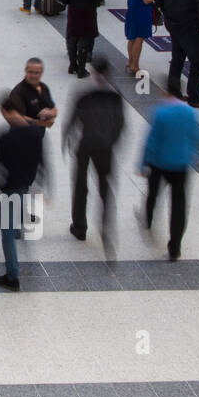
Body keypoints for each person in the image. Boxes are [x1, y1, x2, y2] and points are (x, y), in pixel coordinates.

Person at [63, 56, 124, 253]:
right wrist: (112, 140)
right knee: (105, 186)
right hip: (105, 146)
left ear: (94, 71)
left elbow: (72, 119)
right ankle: (106, 226)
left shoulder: (84, 92)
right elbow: (120, 123)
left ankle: (79, 226)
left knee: (81, 185)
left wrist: (67, 139)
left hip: (86, 143)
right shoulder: (115, 94)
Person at [139, 86, 199, 260]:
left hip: (159, 163)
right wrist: (196, 156)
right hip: (181, 164)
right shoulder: (190, 113)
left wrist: (143, 163)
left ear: (166, 93)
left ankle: (148, 219)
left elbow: (152, 140)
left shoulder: (160, 113)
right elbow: (197, 137)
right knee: (179, 204)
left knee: (153, 193)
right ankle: (175, 246)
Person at [0, 93, 46, 291]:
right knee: (16, 215)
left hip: (9, 188)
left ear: (4, 110)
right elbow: (41, 161)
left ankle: (12, 276)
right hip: (25, 184)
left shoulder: (4, 137)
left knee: (6, 233)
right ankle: (17, 229)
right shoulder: (36, 132)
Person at [64, 0, 106, 78]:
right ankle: (81, 69)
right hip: (88, 10)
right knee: (85, 38)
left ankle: (72, 65)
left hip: (74, 8)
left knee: (73, 35)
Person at [124, 0, 158, 76]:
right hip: (142, 13)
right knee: (139, 39)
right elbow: (146, 0)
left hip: (132, 11)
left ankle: (130, 60)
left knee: (131, 38)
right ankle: (135, 66)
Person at [8, 57, 57, 129]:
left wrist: (51, 113)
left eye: (37, 73)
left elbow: (53, 108)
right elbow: (14, 117)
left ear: (41, 73)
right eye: (30, 72)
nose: (33, 76)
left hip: (38, 136)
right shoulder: (18, 92)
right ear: (25, 70)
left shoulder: (44, 88)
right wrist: (40, 123)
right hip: (20, 137)